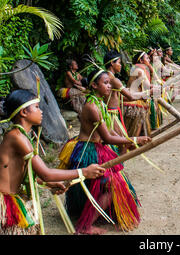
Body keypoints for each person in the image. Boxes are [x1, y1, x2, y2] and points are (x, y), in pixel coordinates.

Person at [0, 89, 105, 235]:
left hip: (10, 197)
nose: (41, 111)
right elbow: (46, 173)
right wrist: (84, 171)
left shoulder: (21, 135)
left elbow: (25, 172)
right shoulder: (17, 137)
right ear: (23, 112)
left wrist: (47, 183)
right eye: (36, 107)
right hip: (0, 202)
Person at [58, 69, 151, 234]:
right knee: (111, 185)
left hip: (98, 147)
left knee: (109, 184)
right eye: (105, 83)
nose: (109, 86)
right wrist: (134, 140)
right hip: (88, 150)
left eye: (109, 83)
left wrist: (128, 140)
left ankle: (95, 213)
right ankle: (86, 226)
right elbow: (107, 138)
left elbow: (109, 131)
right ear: (94, 85)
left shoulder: (100, 103)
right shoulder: (92, 107)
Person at [104, 49, 156, 154]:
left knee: (122, 142)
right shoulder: (114, 80)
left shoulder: (107, 76)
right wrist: (148, 92)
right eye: (119, 63)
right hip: (110, 115)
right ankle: (117, 168)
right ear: (111, 63)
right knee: (123, 143)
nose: (121, 65)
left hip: (112, 112)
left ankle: (118, 167)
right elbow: (130, 96)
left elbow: (127, 91)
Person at [123, 51, 153, 137]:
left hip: (135, 97)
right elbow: (147, 86)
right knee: (139, 120)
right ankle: (134, 143)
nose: (149, 59)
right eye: (147, 58)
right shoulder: (139, 70)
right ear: (141, 61)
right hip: (134, 100)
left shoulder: (138, 68)